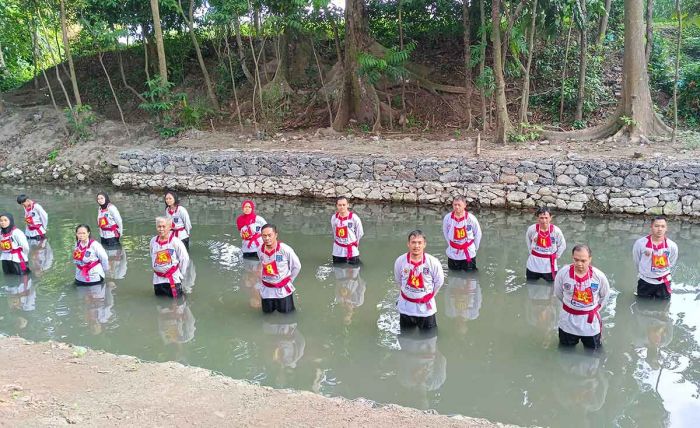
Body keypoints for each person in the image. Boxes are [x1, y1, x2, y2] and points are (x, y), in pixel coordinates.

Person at [553, 244, 610, 350]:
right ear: (572, 258)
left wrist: (592, 310)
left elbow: (605, 296)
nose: (579, 264)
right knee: (565, 351)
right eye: (576, 260)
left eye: (583, 261)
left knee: (594, 353)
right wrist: (571, 307)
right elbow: (558, 293)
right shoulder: (563, 273)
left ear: (590, 259)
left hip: (590, 323)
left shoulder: (599, 276)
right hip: (567, 321)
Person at [394, 230, 445, 331]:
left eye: (419, 243)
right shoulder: (400, 261)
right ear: (408, 244)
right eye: (413, 242)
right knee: (406, 338)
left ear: (424, 244)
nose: (416, 246)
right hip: (406, 307)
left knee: (429, 339)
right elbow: (398, 280)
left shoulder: (433, 262)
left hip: (426, 309)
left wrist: (428, 296)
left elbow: (439, 282)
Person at [257, 224, 301, 314]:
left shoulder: (285, 249)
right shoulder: (260, 250)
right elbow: (261, 265)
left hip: (282, 290)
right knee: (267, 315)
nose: (267, 238)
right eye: (264, 236)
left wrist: (289, 281)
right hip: (267, 289)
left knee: (287, 316)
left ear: (276, 235)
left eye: (269, 235)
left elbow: (297, 266)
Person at [633, 216, 679, 300]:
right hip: (645, 281)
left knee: (663, 307)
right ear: (651, 227)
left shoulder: (672, 246)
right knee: (641, 304)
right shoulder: (640, 243)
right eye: (656, 226)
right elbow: (637, 261)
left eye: (662, 226)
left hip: (664, 282)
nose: (660, 229)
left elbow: (671, 262)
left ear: (666, 228)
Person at [150, 217, 190, 298]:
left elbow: (184, 258)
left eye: (164, 226)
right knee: (160, 306)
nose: (161, 229)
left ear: (170, 227)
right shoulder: (153, 241)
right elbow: (152, 256)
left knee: (177, 306)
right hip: (157, 280)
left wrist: (180, 274)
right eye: (159, 226)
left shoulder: (175, 241)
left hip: (173, 279)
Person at [526, 207, 566, 282]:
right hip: (533, 264)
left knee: (551, 286)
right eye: (541, 218)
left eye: (546, 218)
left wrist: (556, 256)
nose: (544, 220)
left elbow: (563, 245)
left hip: (549, 265)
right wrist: (531, 253)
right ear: (537, 218)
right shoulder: (532, 229)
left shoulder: (556, 231)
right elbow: (528, 242)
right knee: (531, 285)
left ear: (550, 218)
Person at [442, 197, 481, 271]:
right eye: (455, 205)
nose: (456, 207)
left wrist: (475, 248)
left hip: (468, 252)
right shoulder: (447, 218)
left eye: (459, 205)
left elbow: (478, 234)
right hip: (453, 251)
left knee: (470, 276)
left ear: (464, 205)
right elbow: (445, 232)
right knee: (453, 274)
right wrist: (451, 244)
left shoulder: (471, 219)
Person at [331, 196, 364, 264]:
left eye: (344, 205)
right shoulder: (334, 218)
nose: (342, 207)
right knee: (338, 270)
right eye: (340, 205)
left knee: (355, 270)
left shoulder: (354, 218)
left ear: (348, 205)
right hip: (338, 250)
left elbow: (360, 233)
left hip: (351, 249)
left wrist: (354, 243)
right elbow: (334, 231)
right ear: (337, 206)